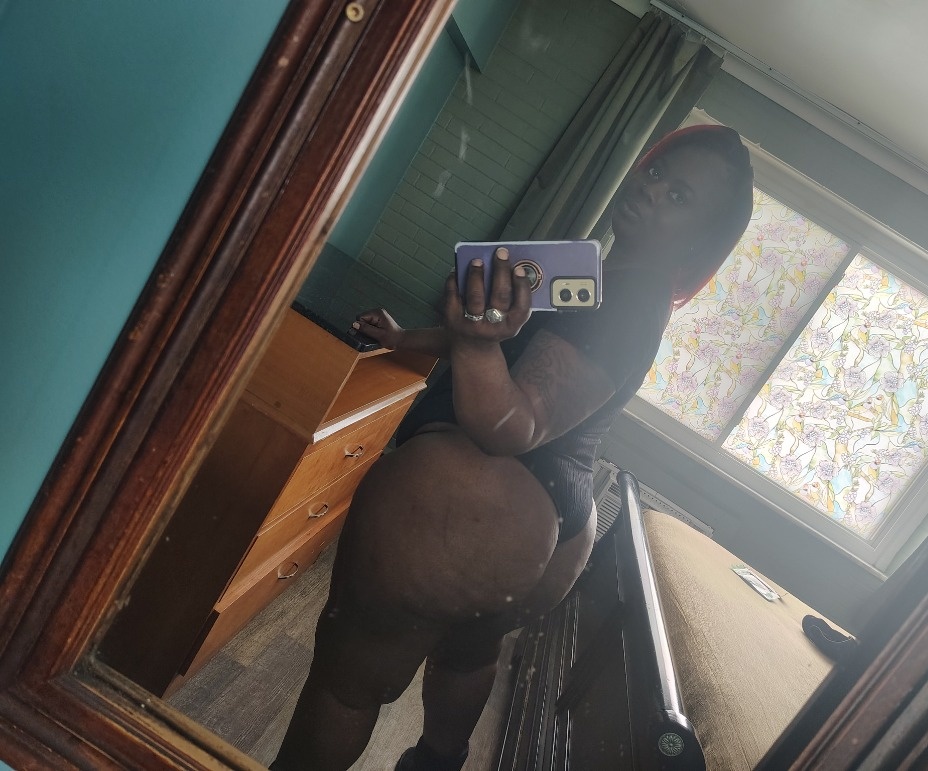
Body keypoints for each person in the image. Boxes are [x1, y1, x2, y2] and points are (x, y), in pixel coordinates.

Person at [271, 124, 755, 770]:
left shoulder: (632, 298)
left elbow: (512, 423)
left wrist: (474, 343)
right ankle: (436, 760)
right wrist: (410, 339)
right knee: (468, 653)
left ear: (701, 240)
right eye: (657, 173)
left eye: (679, 197)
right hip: (555, 526)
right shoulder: (595, 271)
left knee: (346, 680)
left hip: (481, 501)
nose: (652, 190)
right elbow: (504, 342)